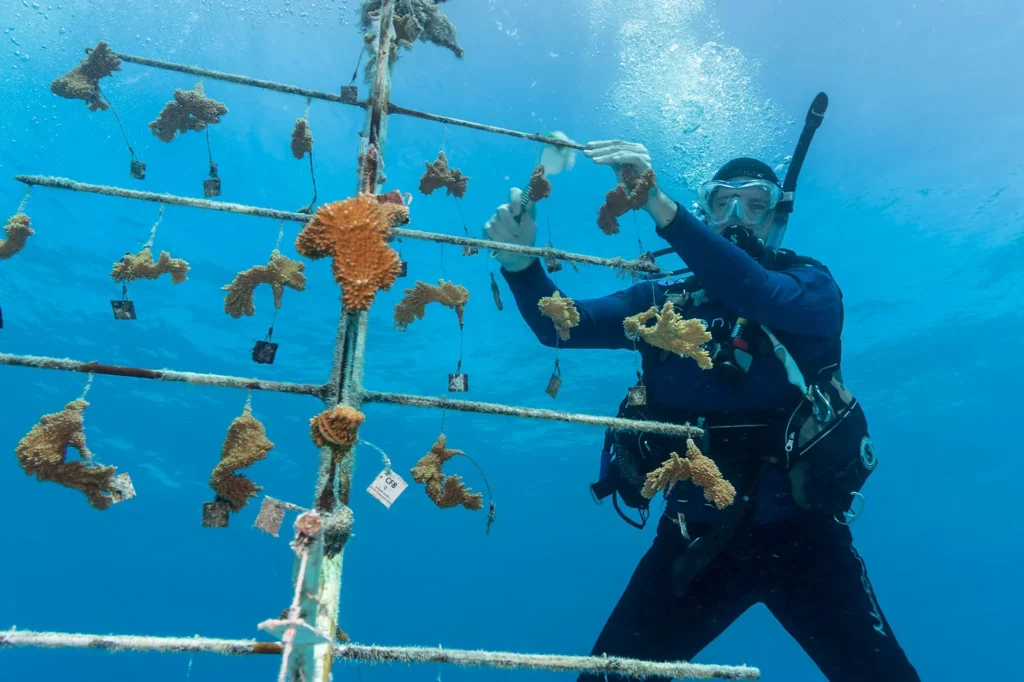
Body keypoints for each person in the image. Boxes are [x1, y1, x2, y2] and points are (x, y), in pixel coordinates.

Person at [482, 140, 921, 682]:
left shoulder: (811, 288)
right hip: (694, 541)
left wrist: (661, 208)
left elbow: (756, 295)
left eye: (756, 204)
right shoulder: (663, 301)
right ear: (706, 208)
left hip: (807, 540)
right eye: (722, 203)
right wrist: (522, 266)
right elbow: (562, 325)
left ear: (778, 217)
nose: (738, 217)